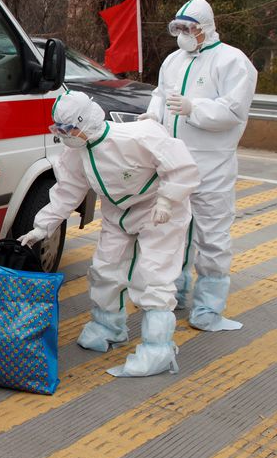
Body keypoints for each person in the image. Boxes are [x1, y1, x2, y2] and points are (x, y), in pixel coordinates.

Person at [19, 91, 199, 377]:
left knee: (153, 276)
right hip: (118, 213)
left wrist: (168, 199)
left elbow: (182, 167)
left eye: (68, 128)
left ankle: (158, 349)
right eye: (59, 129)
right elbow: (67, 192)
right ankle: (108, 327)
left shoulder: (138, 135)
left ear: (84, 121)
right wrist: (43, 226)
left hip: (158, 210)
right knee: (105, 268)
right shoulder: (75, 153)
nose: (64, 134)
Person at [140, 0, 258, 332]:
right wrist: (152, 115)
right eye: (178, 28)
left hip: (212, 164)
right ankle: (172, 292)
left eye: (188, 29)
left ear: (204, 28)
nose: (182, 34)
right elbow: (160, 95)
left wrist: (195, 108)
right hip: (175, 161)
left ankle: (209, 307)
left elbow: (235, 111)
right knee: (171, 230)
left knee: (212, 234)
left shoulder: (233, 61)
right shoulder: (173, 61)